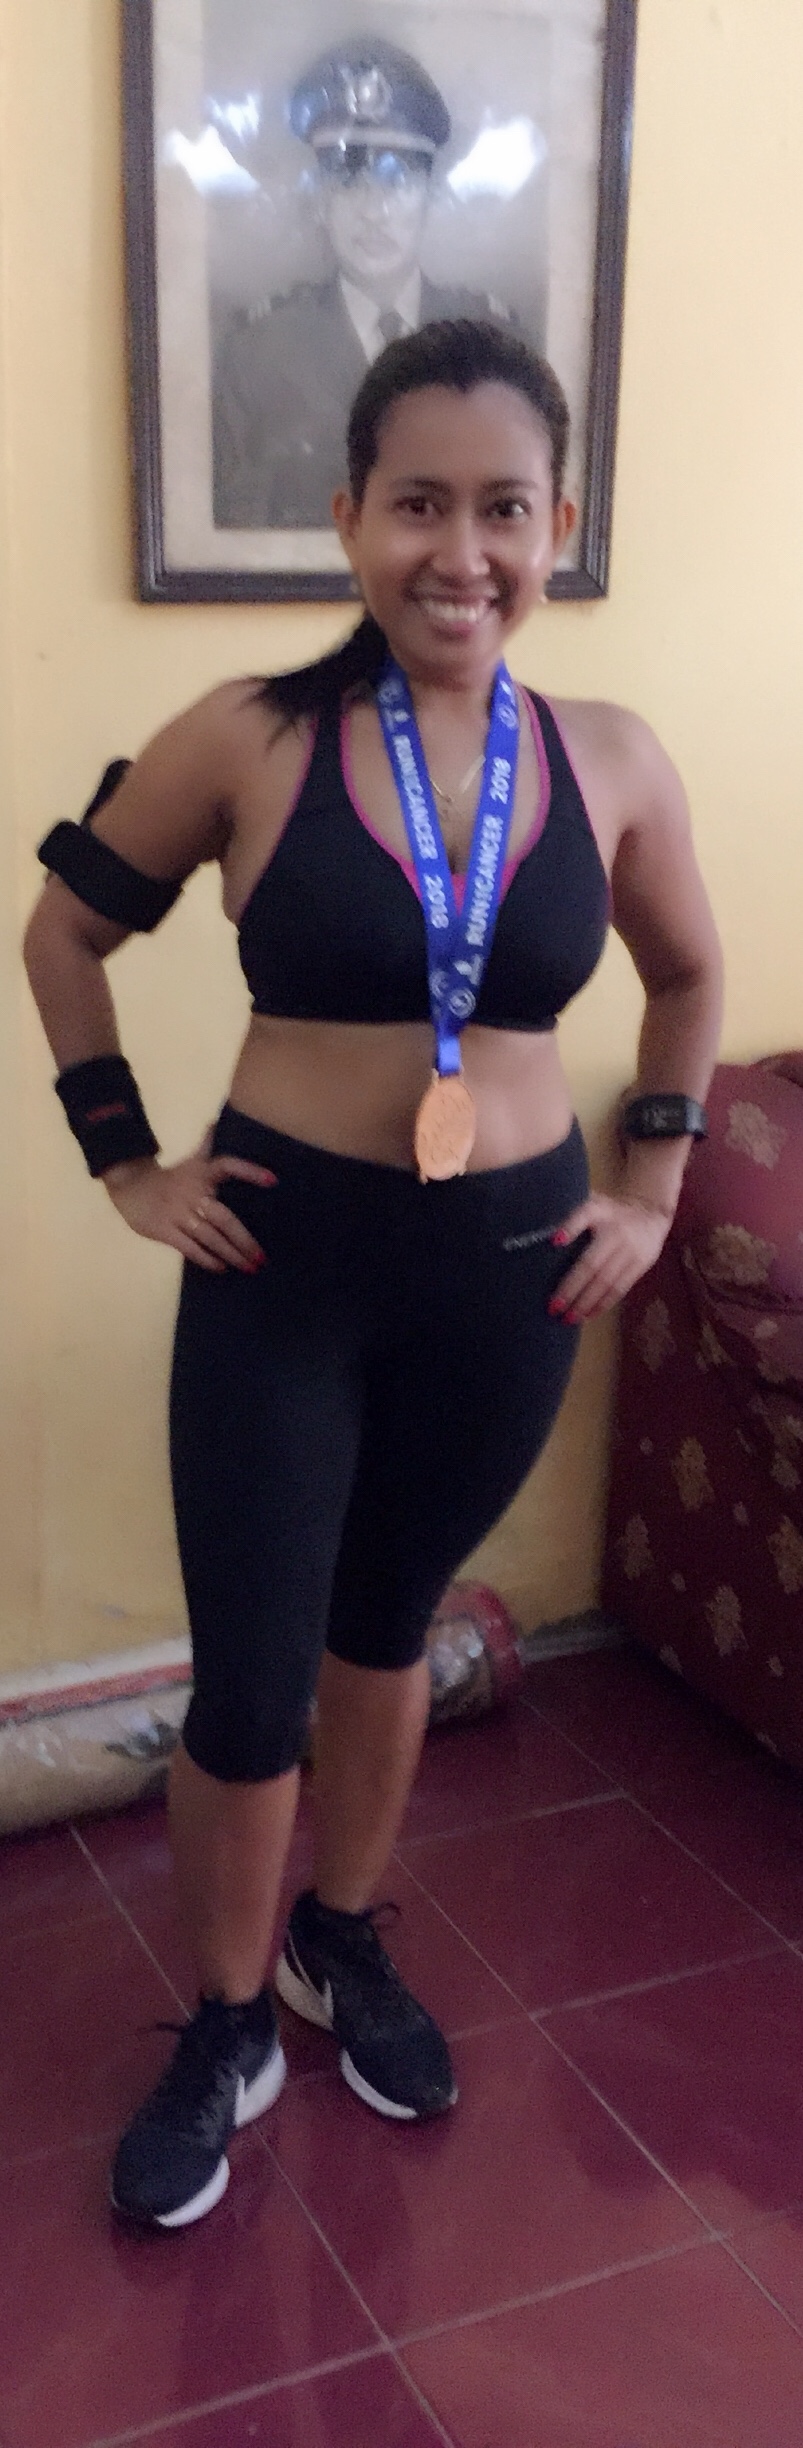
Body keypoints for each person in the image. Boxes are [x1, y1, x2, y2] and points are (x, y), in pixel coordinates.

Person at [24, 318, 723, 2233]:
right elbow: (64, 933)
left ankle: (338, 1935)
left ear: (556, 527)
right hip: (288, 1268)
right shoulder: (244, 734)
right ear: (346, 516)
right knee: (254, 1678)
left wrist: (652, 1190)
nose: (458, 550)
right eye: (417, 503)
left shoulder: (608, 758)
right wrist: (123, 1162)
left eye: (503, 508)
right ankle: (224, 2016)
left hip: (506, 1277)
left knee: (388, 1627)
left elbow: (684, 973)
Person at [212, 37, 521, 528]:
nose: (374, 212)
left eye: (397, 182)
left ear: (430, 198)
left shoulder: (493, 343)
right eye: (348, 183)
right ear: (319, 202)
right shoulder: (259, 352)